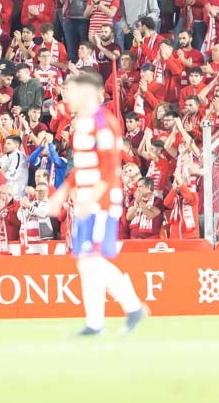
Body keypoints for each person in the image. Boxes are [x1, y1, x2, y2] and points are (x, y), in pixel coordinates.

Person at [46, 72, 146, 336]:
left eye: (71, 92)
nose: (67, 97)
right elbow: (82, 167)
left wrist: (91, 197)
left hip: (101, 202)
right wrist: (62, 192)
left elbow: (109, 166)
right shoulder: (82, 123)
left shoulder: (103, 122)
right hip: (86, 200)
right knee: (86, 260)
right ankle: (96, 322)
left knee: (91, 258)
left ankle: (131, 306)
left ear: (88, 93)